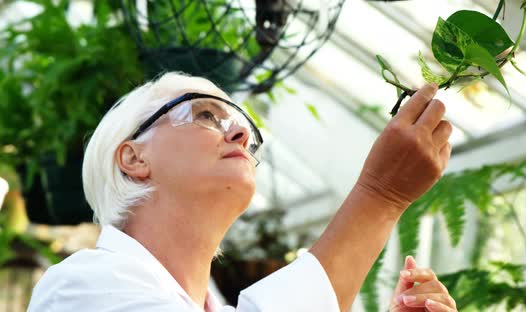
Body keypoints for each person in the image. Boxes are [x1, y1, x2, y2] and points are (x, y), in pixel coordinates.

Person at [28, 72, 456, 312]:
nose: (237, 132)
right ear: (134, 158)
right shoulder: (81, 287)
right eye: (205, 114)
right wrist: (380, 196)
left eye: (244, 130)